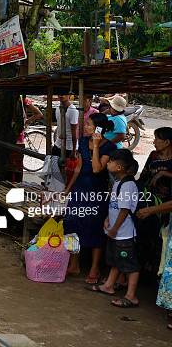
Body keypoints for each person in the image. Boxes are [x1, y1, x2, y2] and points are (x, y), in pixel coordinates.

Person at [64, 113, 118, 283]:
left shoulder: (109, 147)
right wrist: (69, 188)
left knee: (94, 227)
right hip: (80, 189)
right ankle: (74, 264)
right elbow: (79, 167)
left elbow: (97, 169)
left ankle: (95, 268)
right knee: (73, 224)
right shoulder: (83, 141)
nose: (86, 127)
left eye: (89, 124)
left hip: (97, 193)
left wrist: (95, 145)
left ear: (99, 129)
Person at [91, 149, 141, 308]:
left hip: (124, 233)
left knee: (130, 265)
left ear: (119, 167)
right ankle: (109, 286)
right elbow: (115, 206)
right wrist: (108, 219)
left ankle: (131, 295)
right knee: (116, 261)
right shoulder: (119, 182)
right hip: (116, 232)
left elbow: (125, 210)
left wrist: (115, 229)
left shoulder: (127, 185)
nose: (108, 163)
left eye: (111, 161)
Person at [136, 127, 172, 331]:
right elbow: (143, 178)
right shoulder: (152, 156)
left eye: (157, 139)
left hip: (164, 210)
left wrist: (165, 174)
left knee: (162, 246)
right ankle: (144, 277)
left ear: (167, 142)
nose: (154, 142)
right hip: (149, 204)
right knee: (145, 239)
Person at [52, 95, 78, 159]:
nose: (62, 95)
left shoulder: (72, 110)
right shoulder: (58, 108)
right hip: (58, 143)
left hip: (69, 146)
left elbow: (74, 132)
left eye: (65, 93)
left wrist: (74, 151)